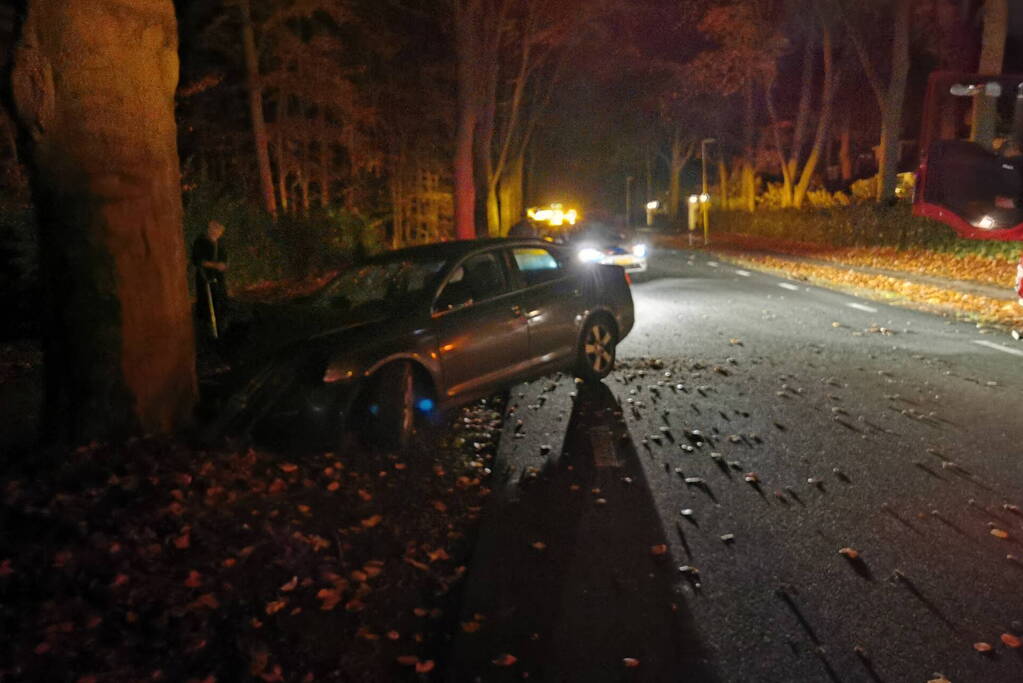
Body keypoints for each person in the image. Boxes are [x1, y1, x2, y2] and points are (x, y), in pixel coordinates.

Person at [192, 220, 228, 343]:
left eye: (220, 231)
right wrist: (214, 265)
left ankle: (221, 331)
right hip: (205, 278)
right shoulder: (200, 242)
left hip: (218, 278)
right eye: (216, 230)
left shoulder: (220, 243)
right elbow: (198, 261)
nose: (218, 233)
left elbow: (224, 259)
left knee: (221, 302)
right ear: (210, 230)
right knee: (206, 304)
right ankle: (207, 333)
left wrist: (222, 266)